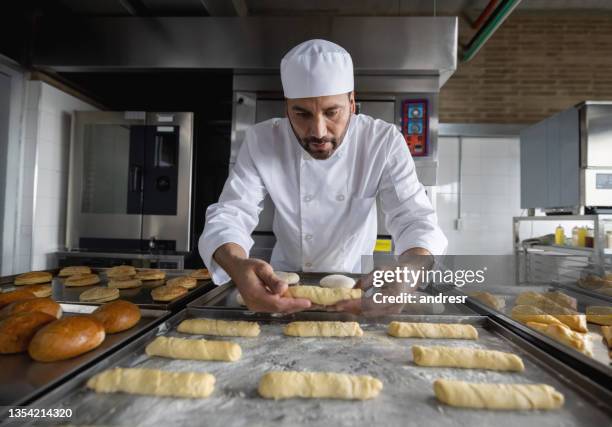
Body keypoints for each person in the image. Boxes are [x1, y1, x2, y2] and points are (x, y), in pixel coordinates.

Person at [199, 39, 447, 314]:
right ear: (287, 108)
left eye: (332, 112)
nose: (318, 131)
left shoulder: (383, 142)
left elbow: (415, 219)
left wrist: (408, 274)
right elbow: (231, 213)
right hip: (281, 287)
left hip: (355, 289)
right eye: (302, 113)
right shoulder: (262, 140)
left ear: (352, 103)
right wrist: (236, 266)